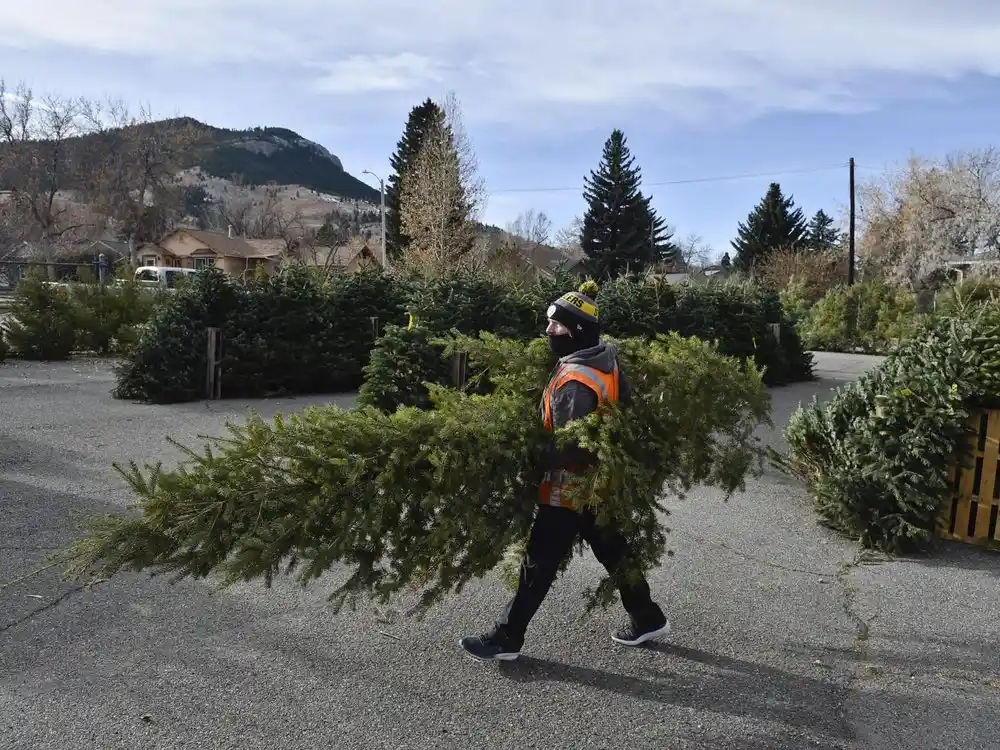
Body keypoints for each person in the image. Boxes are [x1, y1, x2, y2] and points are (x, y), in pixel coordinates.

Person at [459, 282, 670, 662]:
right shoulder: (602, 360)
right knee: (613, 550)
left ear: (578, 331)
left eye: (556, 325)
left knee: (537, 562)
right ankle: (647, 616)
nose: (548, 331)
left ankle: (507, 638)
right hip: (595, 486)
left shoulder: (576, 380)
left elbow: (571, 445)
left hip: (568, 487)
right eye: (549, 323)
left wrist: (523, 458)